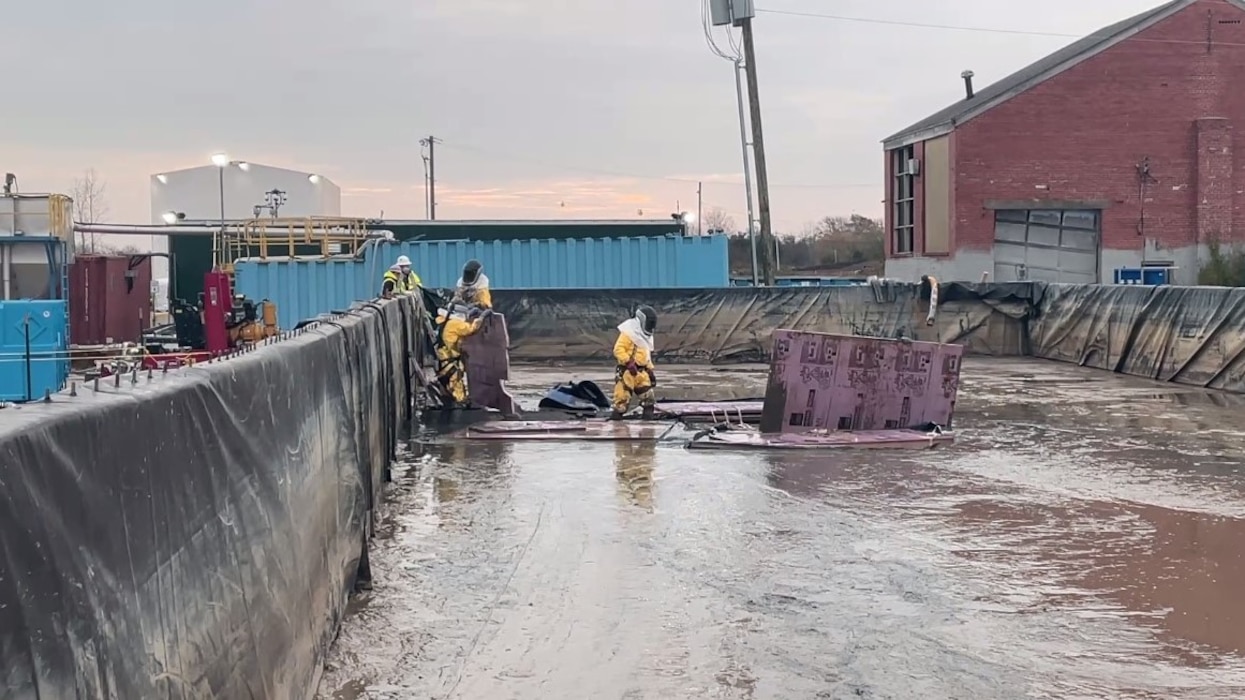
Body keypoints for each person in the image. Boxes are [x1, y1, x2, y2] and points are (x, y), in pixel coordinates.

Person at [434, 301, 491, 406]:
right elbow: (470, 329)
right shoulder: (455, 324)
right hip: (449, 356)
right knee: (455, 379)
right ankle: (459, 403)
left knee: (448, 379)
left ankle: (452, 400)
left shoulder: (445, 320)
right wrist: (481, 318)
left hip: (443, 355)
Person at [610, 305, 657, 420]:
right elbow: (618, 349)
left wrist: (650, 369)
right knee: (622, 397)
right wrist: (628, 361)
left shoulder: (646, 336)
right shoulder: (628, 333)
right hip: (627, 371)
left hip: (642, 371)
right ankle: (616, 421)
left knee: (648, 397)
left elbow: (646, 354)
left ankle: (648, 420)